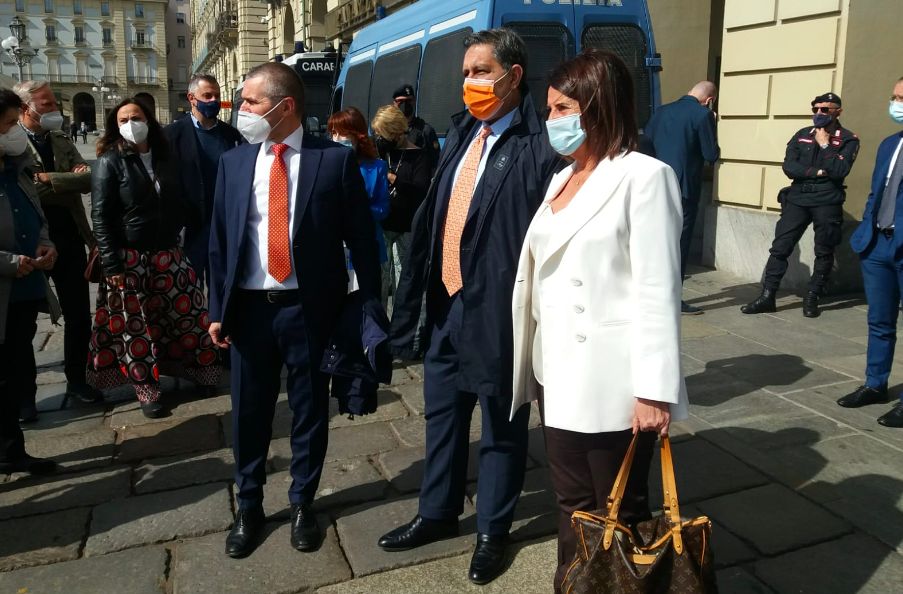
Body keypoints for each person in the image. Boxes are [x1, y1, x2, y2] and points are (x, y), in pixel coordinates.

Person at [379, 28, 562, 585]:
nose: (469, 83)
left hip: (499, 310)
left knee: (502, 424)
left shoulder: (541, 143)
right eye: (465, 73)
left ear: (513, 75)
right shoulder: (463, 132)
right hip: (446, 304)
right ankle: (436, 512)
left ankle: (492, 530)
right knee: (442, 416)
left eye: (481, 72)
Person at [510, 49, 689, 593]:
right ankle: (574, 584)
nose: (551, 120)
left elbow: (658, 288)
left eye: (563, 108)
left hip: (611, 379)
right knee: (572, 504)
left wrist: (654, 391)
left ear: (599, 105)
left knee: (620, 510)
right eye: (549, 109)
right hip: (556, 370)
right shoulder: (560, 179)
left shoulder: (645, 176)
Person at [207, 63, 380, 559]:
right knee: (250, 412)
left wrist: (368, 307)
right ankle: (249, 504)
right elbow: (220, 243)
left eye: (250, 102)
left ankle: (303, 501)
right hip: (250, 311)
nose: (241, 110)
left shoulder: (333, 161)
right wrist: (217, 309)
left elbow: (362, 240)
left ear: (284, 107)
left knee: (309, 411)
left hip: (309, 310)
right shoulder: (235, 162)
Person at [88, 98, 222, 418]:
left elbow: (183, 199)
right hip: (129, 258)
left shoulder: (167, 158)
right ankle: (147, 389)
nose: (130, 124)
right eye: (123, 120)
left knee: (190, 313)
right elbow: (100, 217)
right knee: (136, 327)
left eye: (135, 117)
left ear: (148, 120)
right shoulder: (109, 162)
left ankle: (202, 372)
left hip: (168, 253)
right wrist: (112, 263)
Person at [15, 80, 102, 417]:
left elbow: (88, 179)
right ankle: (23, 398)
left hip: (69, 235)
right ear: (26, 108)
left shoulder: (61, 138)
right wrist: (64, 181)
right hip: (27, 241)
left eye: (54, 103)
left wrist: (48, 179)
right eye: (47, 104)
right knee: (22, 322)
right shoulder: (12, 141)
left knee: (79, 314)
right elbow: (25, 190)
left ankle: (78, 380)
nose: (55, 109)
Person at [742, 92, 860, 318]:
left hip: (827, 199)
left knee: (824, 250)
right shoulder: (802, 134)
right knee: (780, 247)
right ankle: (767, 296)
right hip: (797, 197)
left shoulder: (848, 139)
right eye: (815, 109)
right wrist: (819, 172)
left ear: (838, 111)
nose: (819, 113)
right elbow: (789, 167)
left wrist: (825, 146)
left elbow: (840, 170)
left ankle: (812, 297)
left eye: (825, 109)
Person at [0, 88, 59, 475]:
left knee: (13, 373)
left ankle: (11, 450)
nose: (14, 131)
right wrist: (9, 263)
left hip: (22, 290)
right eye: (8, 124)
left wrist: (45, 244)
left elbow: (36, 215)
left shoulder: (15, 168)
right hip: (6, 285)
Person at [840, 77, 903, 428]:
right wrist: (868, 225)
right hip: (878, 245)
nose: (895, 104)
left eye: (901, 98)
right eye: (894, 96)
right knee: (879, 321)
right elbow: (876, 192)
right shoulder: (890, 143)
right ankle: (875, 383)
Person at [645, 81, 720, 315]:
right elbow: (711, 154)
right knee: (679, 244)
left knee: (653, 242)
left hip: (655, 185)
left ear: (689, 92)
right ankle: (672, 299)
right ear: (709, 100)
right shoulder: (703, 115)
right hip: (683, 188)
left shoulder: (661, 111)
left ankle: (649, 295)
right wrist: (713, 123)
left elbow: (646, 144)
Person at [166, 73, 243, 290]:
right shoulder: (172, 135)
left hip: (223, 226)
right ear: (191, 98)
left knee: (223, 288)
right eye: (207, 96)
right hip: (190, 229)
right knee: (188, 289)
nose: (214, 101)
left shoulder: (231, 135)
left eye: (217, 96)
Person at [371, 105, 431, 313]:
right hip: (381, 226)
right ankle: (377, 325)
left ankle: (400, 323)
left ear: (396, 131)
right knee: (379, 281)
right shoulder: (380, 152)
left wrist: (391, 177)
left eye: (383, 134)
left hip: (405, 228)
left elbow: (420, 192)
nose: (379, 139)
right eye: (377, 134)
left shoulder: (419, 156)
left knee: (402, 283)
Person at [328, 107, 389, 275]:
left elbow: (382, 209)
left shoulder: (377, 167)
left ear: (358, 136)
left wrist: (355, 209)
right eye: (333, 133)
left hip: (364, 246)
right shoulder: (322, 166)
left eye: (343, 134)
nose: (337, 139)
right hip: (331, 247)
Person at [392, 84, 440, 173]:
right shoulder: (389, 130)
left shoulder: (426, 131)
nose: (405, 104)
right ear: (394, 103)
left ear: (414, 101)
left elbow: (435, 165)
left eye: (408, 101)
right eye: (400, 101)